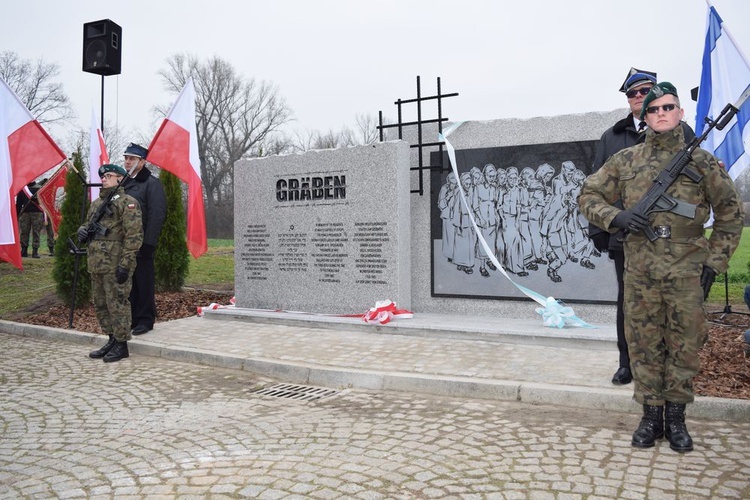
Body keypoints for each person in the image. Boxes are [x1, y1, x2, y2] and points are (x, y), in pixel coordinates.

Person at [578, 82, 744, 453]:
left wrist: (714, 263)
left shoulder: (702, 162)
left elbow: (731, 215)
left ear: (681, 113)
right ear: (645, 116)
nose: (661, 113)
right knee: (644, 344)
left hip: (687, 269)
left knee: (684, 344)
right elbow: (587, 195)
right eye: (653, 109)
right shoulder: (626, 160)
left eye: (669, 107)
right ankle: (650, 416)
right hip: (640, 270)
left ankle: (678, 419)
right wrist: (617, 216)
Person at [588, 68, 696, 386]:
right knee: (630, 303)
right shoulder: (613, 137)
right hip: (628, 238)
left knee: (671, 302)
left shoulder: (681, 130)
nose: (639, 97)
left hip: (673, 239)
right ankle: (628, 364)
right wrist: (600, 231)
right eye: (633, 93)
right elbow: (596, 187)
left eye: (645, 91)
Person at [80, 164, 143, 363]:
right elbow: (89, 225)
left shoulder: (128, 203)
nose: (104, 179)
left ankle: (122, 344)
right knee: (100, 304)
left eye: (109, 176)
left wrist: (125, 264)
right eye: (103, 176)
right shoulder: (97, 203)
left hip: (115, 263)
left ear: (120, 179)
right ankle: (111, 339)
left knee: (117, 303)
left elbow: (134, 236)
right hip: (96, 262)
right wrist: (82, 230)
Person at [122, 143, 167, 335]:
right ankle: (132, 318)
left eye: (132, 158)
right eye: (126, 158)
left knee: (143, 282)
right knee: (129, 283)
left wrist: (149, 243)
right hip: (124, 243)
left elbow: (157, 215)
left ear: (142, 161)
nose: (127, 161)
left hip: (141, 243)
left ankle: (145, 319)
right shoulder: (122, 183)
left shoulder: (152, 184)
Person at [16, 181, 44, 258]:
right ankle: (24, 250)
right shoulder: (22, 189)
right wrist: (17, 215)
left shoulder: (40, 188)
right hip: (25, 213)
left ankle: (35, 251)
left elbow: (43, 201)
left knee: (36, 232)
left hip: (37, 213)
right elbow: (19, 203)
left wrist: (36, 199)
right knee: (24, 232)